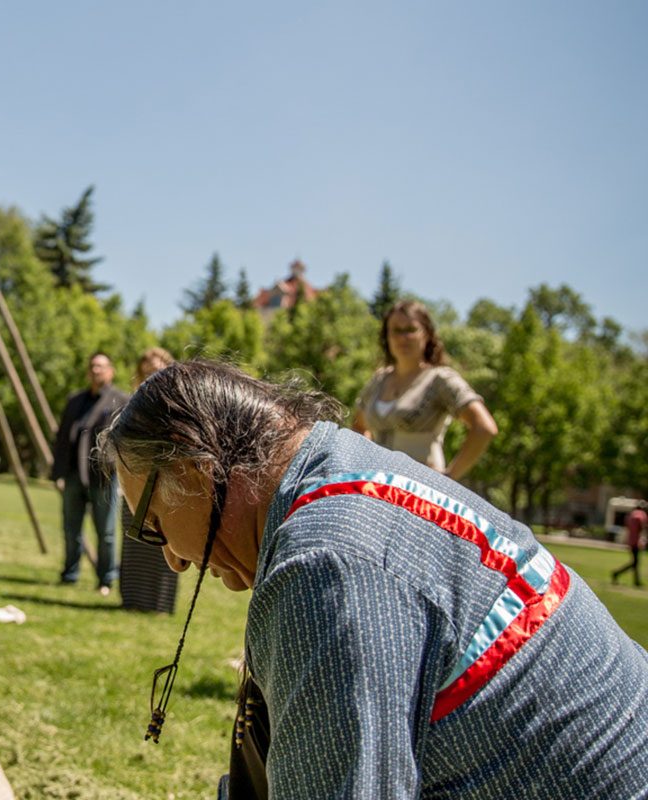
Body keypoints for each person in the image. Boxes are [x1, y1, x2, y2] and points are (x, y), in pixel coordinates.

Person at [102, 360, 648, 798]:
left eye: (152, 524)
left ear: (199, 469)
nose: (172, 559)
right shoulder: (338, 461)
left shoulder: (325, 566)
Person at [352, 300, 497, 480]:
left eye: (411, 330)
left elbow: (484, 427)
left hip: (421, 492)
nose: (403, 337)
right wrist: (362, 467)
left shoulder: (440, 379)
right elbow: (358, 426)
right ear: (386, 337)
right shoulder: (378, 380)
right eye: (396, 330)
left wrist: (449, 478)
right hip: (377, 489)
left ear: (427, 334)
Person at [51, 352, 128, 594]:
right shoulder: (75, 401)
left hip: (103, 477)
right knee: (71, 528)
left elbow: (124, 443)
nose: (96, 370)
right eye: (93, 366)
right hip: (73, 475)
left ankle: (106, 579)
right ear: (88, 372)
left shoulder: (120, 401)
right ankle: (69, 574)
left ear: (111, 371)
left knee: (105, 532)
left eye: (101, 366)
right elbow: (62, 438)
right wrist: (58, 473)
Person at [119, 347, 179, 613]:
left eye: (155, 370)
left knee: (165, 538)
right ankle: (133, 599)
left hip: (167, 479)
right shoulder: (134, 403)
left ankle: (159, 603)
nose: (150, 375)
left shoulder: (178, 403)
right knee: (135, 537)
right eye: (145, 371)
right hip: (137, 475)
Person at [612, 501, 647, 587]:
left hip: (631, 540)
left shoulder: (631, 515)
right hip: (637, 541)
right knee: (635, 562)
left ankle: (636, 581)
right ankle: (616, 573)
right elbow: (642, 526)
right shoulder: (641, 514)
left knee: (635, 562)